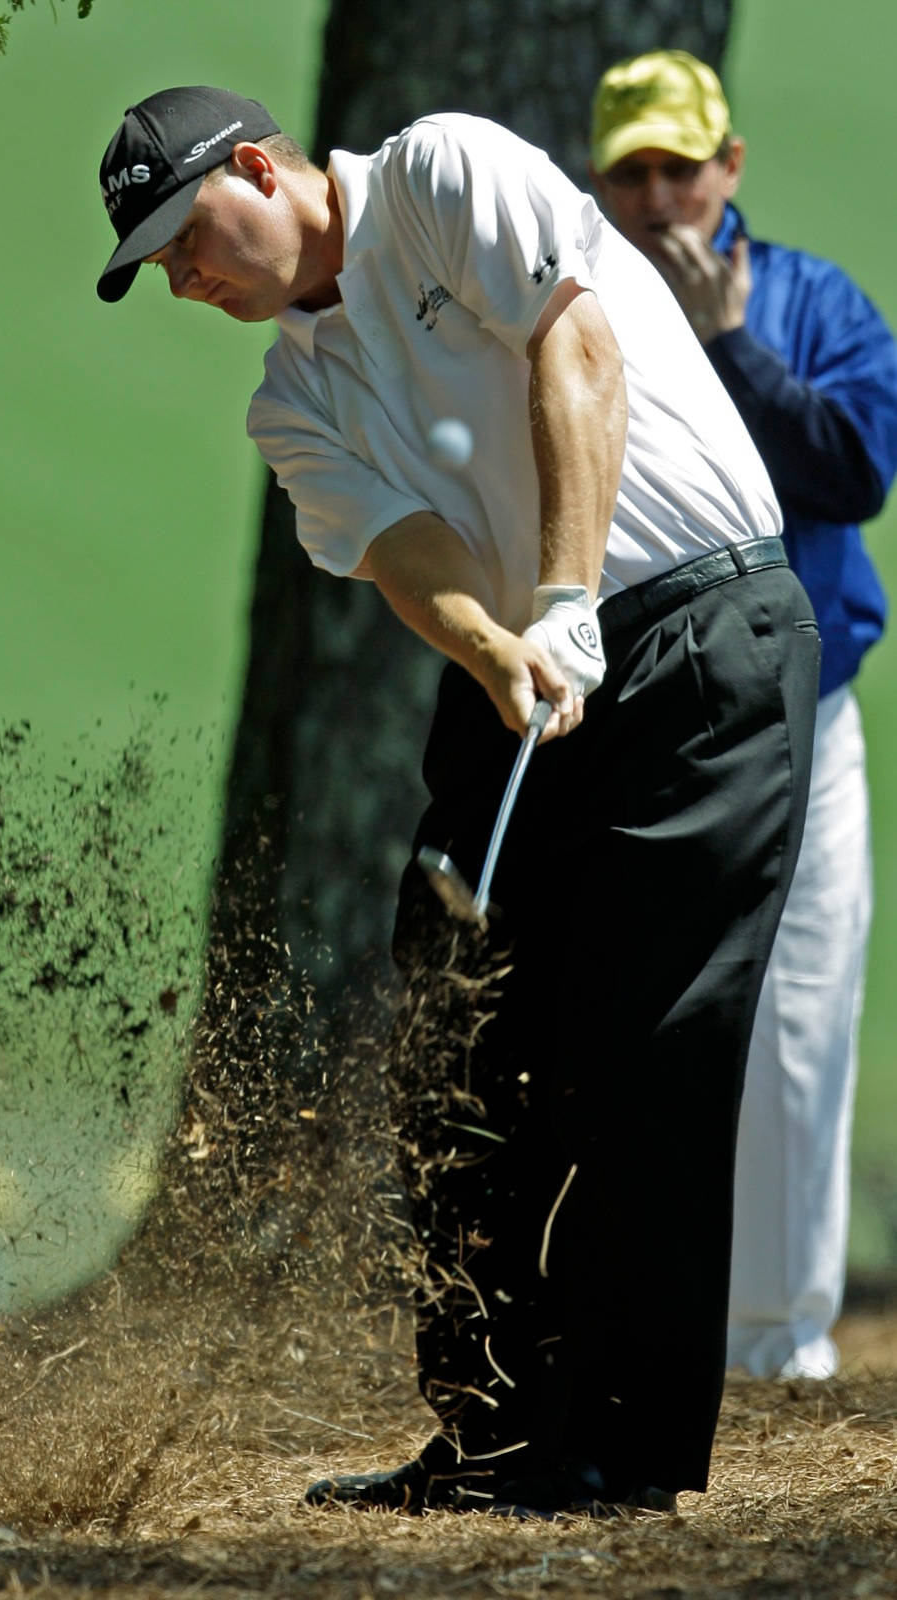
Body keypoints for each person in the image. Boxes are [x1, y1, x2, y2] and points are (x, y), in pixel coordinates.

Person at [94, 86, 819, 1515]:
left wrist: (566, 592)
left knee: (644, 1053)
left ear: (257, 167)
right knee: (456, 1039)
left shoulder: (441, 171)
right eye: (160, 267)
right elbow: (405, 544)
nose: (184, 276)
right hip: (523, 676)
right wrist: (502, 648)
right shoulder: (289, 395)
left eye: (187, 236)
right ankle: (493, 1437)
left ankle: (612, 1453)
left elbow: (580, 343)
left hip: (697, 638)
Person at [589, 49, 897, 1381]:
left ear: (731, 169)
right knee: (638, 1017)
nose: (662, 198)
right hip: (639, 728)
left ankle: (778, 1347)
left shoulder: (817, 304)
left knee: (805, 1015)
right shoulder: (576, 318)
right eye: (633, 173)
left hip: (807, 721)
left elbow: (855, 470)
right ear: (598, 185)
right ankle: (640, 1324)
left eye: (681, 167)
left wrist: (728, 350)